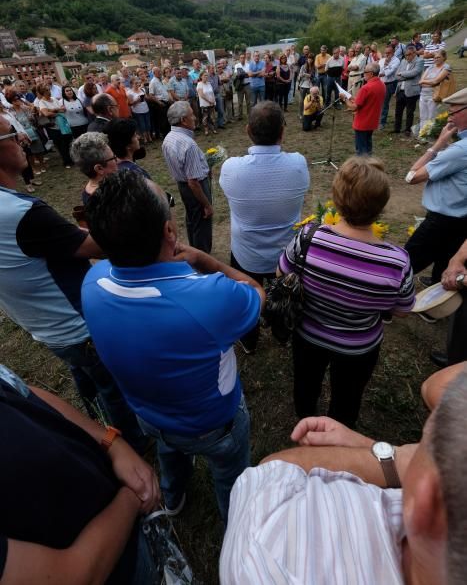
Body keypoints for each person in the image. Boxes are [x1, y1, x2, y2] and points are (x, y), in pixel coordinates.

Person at [82, 169, 265, 524]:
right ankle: (238, 525)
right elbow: (257, 293)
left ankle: (174, 494)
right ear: (169, 231)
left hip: (149, 415)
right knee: (231, 475)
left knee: (170, 450)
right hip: (214, 424)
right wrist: (206, 261)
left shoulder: (93, 280)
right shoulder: (209, 297)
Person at [220, 368, 467, 585]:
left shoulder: (267, 554)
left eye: (424, 440)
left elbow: (277, 470)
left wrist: (397, 460)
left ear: (429, 500)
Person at [0, 115, 145, 451]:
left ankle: (93, 416)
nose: (24, 139)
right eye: (13, 133)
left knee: (84, 376)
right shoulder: (21, 213)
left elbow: (57, 241)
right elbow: (97, 247)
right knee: (112, 386)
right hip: (77, 323)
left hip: (41, 322)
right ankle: (134, 443)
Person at [278, 157, 415, 427]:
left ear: (337, 200)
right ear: (381, 206)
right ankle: (339, 431)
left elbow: (281, 273)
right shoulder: (397, 262)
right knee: (348, 397)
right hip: (359, 346)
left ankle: (305, 418)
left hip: (308, 335)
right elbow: (402, 310)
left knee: (305, 383)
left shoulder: (308, 237)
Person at [0, 364, 160, 585]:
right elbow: (74, 578)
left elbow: (21, 390)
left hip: (121, 520)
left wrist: (111, 442)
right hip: (117, 568)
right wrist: (129, 499)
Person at [220, 101, 309, 353]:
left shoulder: (231, 168)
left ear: (248, 130)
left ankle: (249, 340)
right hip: (286, 256)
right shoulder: (298, 164)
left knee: (246, 300)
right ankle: (282, 333)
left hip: (246, 255)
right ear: (282, 131)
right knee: (284, 297)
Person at [404, 87, 467, 288]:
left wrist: (438, 144)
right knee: (446, 260)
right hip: (461, 219)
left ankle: (387, 304)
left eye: (453, 112)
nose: (449, 118)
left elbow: (412, 177)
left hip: (441, 221)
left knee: (406, 263)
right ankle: (434, 305)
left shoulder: (460, 150)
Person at [162, 101, 213, 253]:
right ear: (183, 120)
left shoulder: (168, 138)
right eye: (192, 115)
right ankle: (202, 257)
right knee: (202, 220)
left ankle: (194, 250)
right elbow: (193, 182)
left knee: (192, 219)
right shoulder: (187, 144)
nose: (195, 118)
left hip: (182, 185)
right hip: (195, 187)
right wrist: (207, 205)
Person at [340, 62, 386, 155]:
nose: (363, 74)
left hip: (363, 123)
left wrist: (344, 99)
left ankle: (363, 168)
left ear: (371, 74)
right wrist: (351, 98)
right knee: (368, 146)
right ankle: (369, 165)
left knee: (361, 151)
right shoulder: (382, 85)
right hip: (372, 122)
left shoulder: (366, 88)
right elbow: (367, 101)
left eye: (365, 72)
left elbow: (353, 108)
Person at [70, 131, 118, 205]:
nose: (117, 160)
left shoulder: (89, 192)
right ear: (99, 168)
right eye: (114, 158)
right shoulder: (111, 198)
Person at [37, 82, 73, 168]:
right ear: (42, 92)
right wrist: (57, 110)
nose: (49, 91)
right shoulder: (41, 102)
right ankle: (66, 162)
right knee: (61, 145)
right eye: (46, 90)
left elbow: (63, 109)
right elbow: (46, 114)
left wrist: (52, 110)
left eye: (49, 89)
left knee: (68, 143)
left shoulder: (54, 99)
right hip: (53, 127)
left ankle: (70, 159)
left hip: (63, 125)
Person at [393, 44, 424, 135]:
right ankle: (396, 129)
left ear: (414, 53)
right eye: (406, 55)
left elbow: (414, 73)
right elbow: (396, 75)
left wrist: (402, 74)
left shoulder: (420, 61)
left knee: (410, 112)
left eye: (409, 54)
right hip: (400, 90)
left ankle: (407, 129)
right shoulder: (403, 61)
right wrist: (405, 75)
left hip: (412, 91)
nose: (407, 57)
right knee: (398, 112)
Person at [419, 49, 451, 131]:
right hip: (423, 94)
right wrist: (429, 82)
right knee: (423, 116)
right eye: (434, 58)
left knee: (432, 116)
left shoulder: (446, 67)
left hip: (434, 95)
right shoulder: (430, 67)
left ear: (444, 58)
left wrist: (426, 81)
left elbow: (436, 81)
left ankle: (430, 135)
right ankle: (423, 134)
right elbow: (421, 81)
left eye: (438, 57)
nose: (436, 59)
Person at [378, 45, 401, 129]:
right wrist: (384, 65)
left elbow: (388, 73)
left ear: (393, 52)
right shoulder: (382, 60)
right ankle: (378, 119)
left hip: (390, 84)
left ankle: (382, 122)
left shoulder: (396, 61)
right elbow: (379, 71)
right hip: (381, 83)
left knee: (385, 103)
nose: (387, 54)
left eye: (389, 53)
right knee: (379, 103)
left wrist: (386, 64)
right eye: (385, 52)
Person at [126, 76, 151, 144]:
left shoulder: (142, 89)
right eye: (135, 83)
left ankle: (149, 137)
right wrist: (137, 100)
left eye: (137, 83)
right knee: (142, 125)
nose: (137, 84)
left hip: (146, 109)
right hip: (137, 111)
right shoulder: (129, 92)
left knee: (148, 124)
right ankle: (145, 138)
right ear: (131, 84)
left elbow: (147, 98)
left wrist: (146, 97)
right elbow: (130, 104)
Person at [148, 66, 172, 137]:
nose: (160, 72)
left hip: (166, 102)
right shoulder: (153, 82)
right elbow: (151, 95)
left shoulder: (160, 80)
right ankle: (165, 134)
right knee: (163, 120)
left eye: (160, 71)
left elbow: (164, 91)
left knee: (167, 119)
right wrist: (159, 102)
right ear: (154, 73)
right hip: (160, 103)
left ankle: (169, 133)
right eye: (158, 71)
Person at [197, 70, 217, 136]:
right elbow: (201, 95)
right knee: (205, 117)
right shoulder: (199, 84)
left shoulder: (209, 83)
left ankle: (213, 128)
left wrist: (213, 101)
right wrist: (209, 101)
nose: (206, 77)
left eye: (207, 75)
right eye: (204, 75)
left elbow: (212, 93)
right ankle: (206, 130)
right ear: (201, 77)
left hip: (211, 103)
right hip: (204, 104)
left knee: (212, 116)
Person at [233, 53, 251, 120]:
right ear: (239, 59)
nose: (242, 59)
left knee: (248, 102)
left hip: (247, 85)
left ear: (245, 58)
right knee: (240, 102)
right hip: (240, 86)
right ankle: (240, 115)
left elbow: (249, 75)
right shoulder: (237, 65)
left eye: (243, 57)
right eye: (241, 57)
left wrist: (243, 74)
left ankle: (249, 114)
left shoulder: (248, 65)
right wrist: (245, 74)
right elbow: (237, 75)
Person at [207, 64, 225, 129]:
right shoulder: (207, 77)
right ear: (208, 69)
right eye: (211, 68)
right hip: (210, 96)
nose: (213, 70)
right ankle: (212, 125)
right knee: (211, 112)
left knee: (220, 110)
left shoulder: (216, 76)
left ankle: (220, 124)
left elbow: (219, 83)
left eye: (213, 68)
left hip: (217, 94)